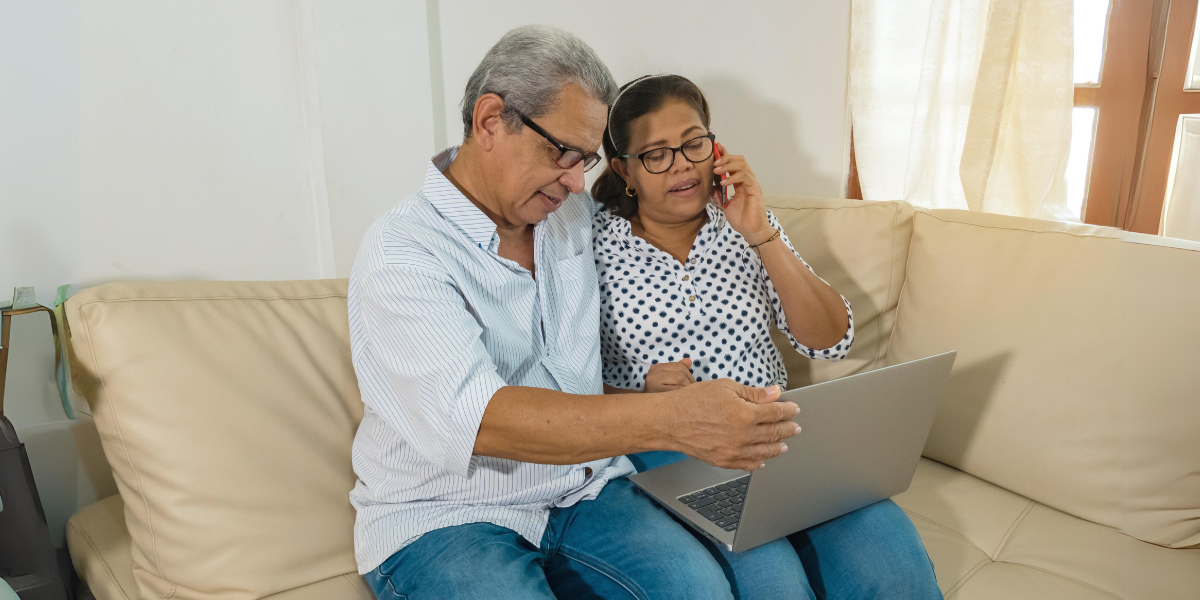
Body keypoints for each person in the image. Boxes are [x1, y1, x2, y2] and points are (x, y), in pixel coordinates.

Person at [347, 26, 801, 600]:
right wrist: (674, 417)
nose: (573, 181)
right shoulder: (402, 252)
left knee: (703, 591)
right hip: (444, 515)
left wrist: (725, 203)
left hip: (584, 490)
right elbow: (483, 420)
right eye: (561, 152)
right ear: (490, 121)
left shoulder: (569, 218)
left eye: (585, 161)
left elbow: (658, 220)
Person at [591, 74, 942, 599]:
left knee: (891, 558)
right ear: (624, 171)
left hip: (780, 439)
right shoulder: (587, 245)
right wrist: (644, 400)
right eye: (657, 154)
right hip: (671, 448)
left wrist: (761, 233)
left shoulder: (746, 226)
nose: (683, 164)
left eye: (693, 143)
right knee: (771, 579)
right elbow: (555, 377)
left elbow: (830, 341)